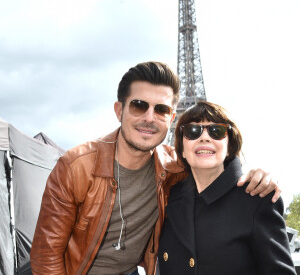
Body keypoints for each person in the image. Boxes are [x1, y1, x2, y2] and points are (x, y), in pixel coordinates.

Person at [30, 62, 281, 275]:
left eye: (161, 109)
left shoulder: (174, 169)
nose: (149, 118)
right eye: (139, 105)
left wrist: (256, 176)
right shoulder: (76, 166)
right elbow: (46, 255)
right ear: (119, 110)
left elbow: (211, 164)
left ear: (171, 119)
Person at [158, 101, 296, 275]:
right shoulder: (167, 196)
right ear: (182, 149)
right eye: (192, 131)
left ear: (230, 146)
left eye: (217, 131)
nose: (204, 137)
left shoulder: (256, 198)